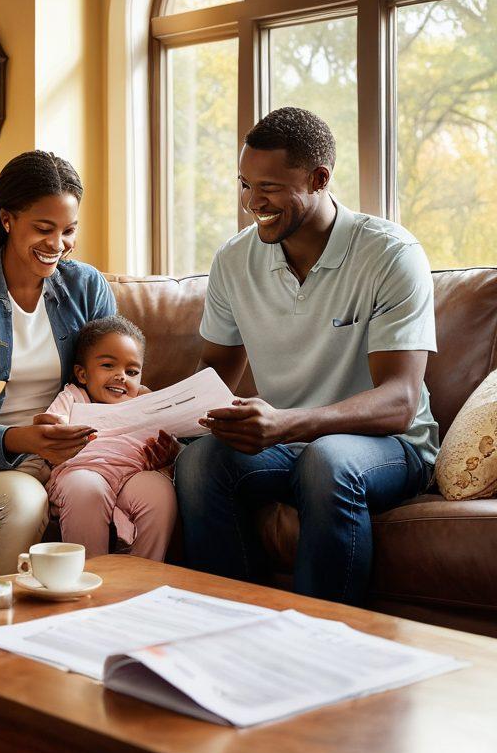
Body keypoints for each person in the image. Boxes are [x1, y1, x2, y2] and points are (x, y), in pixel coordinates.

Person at [175, 106, 438, 606]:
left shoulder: (390, 254)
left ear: (319, 179)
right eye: (244, 183)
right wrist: (158, 417)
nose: (252, 201)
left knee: (328, 460)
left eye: (269, 187)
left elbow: (399, 401)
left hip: (389, 446)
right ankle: (227, 624)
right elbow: (213, 380)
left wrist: (287, 423)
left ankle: (324, 639)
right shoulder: (234, 260)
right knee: (201, 462)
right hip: (288, 444)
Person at [0, 151, 177, 575]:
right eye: (44, 229)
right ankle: (1, 628)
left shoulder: (85, 286)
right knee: (25, 500)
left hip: (85, 452)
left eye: (68, 231)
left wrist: (156, 432)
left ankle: (132, 602)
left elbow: (112, 382)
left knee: (157, 489)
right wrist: (26, 440)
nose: (57, 245)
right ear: (7, 220)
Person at [44, 316, 178, 560]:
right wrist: (53, 426)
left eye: (132, 371)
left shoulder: (142, 403)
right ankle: (91, 574)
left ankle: (144, 576)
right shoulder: (73, 396)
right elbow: (52, 426)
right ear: (82, 374)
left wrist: (168, 452)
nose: (121, 376)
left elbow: (169, 438)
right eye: (108, 366)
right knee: (86, 488)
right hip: (81, 472)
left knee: (159, 491)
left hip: (131, 476)